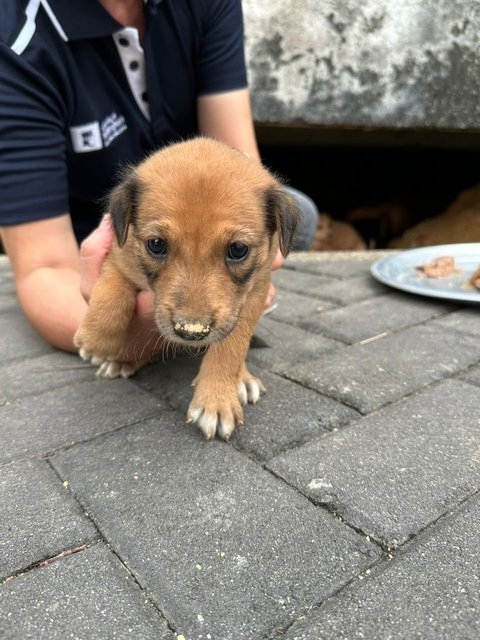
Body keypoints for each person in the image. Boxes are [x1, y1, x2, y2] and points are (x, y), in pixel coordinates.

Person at [0, 0, 318, 364]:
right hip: (95, 242)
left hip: (197, 222)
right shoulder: (14, 44)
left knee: (299, 216)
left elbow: (241, 166)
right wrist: (126, 337)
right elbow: (44, 268)